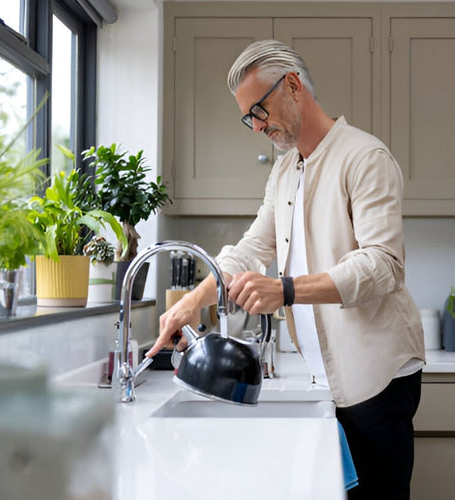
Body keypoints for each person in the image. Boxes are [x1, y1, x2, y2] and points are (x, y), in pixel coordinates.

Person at [146, 40, 425, 499]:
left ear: (293, 86)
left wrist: (286, 289)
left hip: (378, 378)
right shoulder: (285, 171)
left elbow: (383, 265)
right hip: (330, 381)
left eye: (259, 109)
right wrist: (193, 303)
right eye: (248, 117)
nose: (256, 126)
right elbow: (255, 246)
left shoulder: (364, 158)